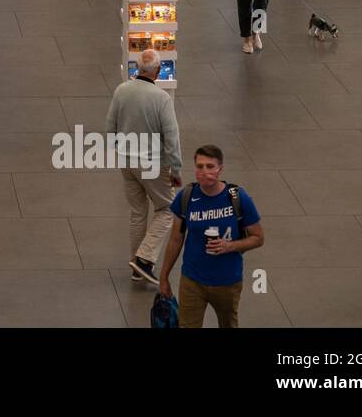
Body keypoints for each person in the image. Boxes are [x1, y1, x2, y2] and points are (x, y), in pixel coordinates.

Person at [159, 145, 263, 327]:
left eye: (210, 166)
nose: (204, 171)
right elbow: (176, 239)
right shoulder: (186, 197)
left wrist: (229, 246)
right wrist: (164, 276)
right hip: (192, 281)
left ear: (220, 169)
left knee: (228, 324)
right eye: (199, 166)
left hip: (228, 282)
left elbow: (258, 238)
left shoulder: (238, 198)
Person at [107, 48, 182, 286]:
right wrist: (176, 169)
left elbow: (110, 129)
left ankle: (136, 267)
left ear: (137, 69)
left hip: (126, 161)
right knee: (168, 209)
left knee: (138, 213)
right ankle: (144, 259)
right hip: (152, 163)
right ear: (158, 71)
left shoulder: (121, 91)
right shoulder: (161, 98)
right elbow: (171, 137)